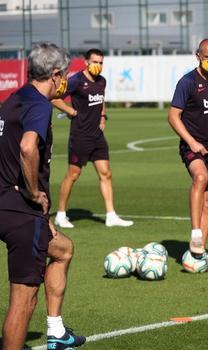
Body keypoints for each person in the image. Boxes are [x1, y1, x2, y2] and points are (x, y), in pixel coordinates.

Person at [0, 42, 85, 350]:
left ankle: (56, 331)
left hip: (5, 210)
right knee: (23, 300)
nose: (67, 82)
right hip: (20, 212)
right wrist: (33, 193)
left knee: (63, 249)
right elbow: (29, 147)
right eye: (66, 74)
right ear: (57, 75)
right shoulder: (39, 105)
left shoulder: (14, 99)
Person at [168, 38, 208, 267]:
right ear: (198, 56)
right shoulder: (187, 82)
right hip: (192, 146)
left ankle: (199, 255)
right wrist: (191, 142)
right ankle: (196, 234)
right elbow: (173, 116)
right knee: (200, 177)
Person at [52, 48, 133, 228]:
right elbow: (55, 98)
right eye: (95, 62)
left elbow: (101, 99)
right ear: (86, 62)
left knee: (106, 174)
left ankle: (111, 216)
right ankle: (61, 214)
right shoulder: (76, 81)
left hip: (97, 136)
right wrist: (70, 111)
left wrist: (103, 116)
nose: (98, 65)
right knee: (73, 174)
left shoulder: (101, 81)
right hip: (80, 136)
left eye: (101, 62)